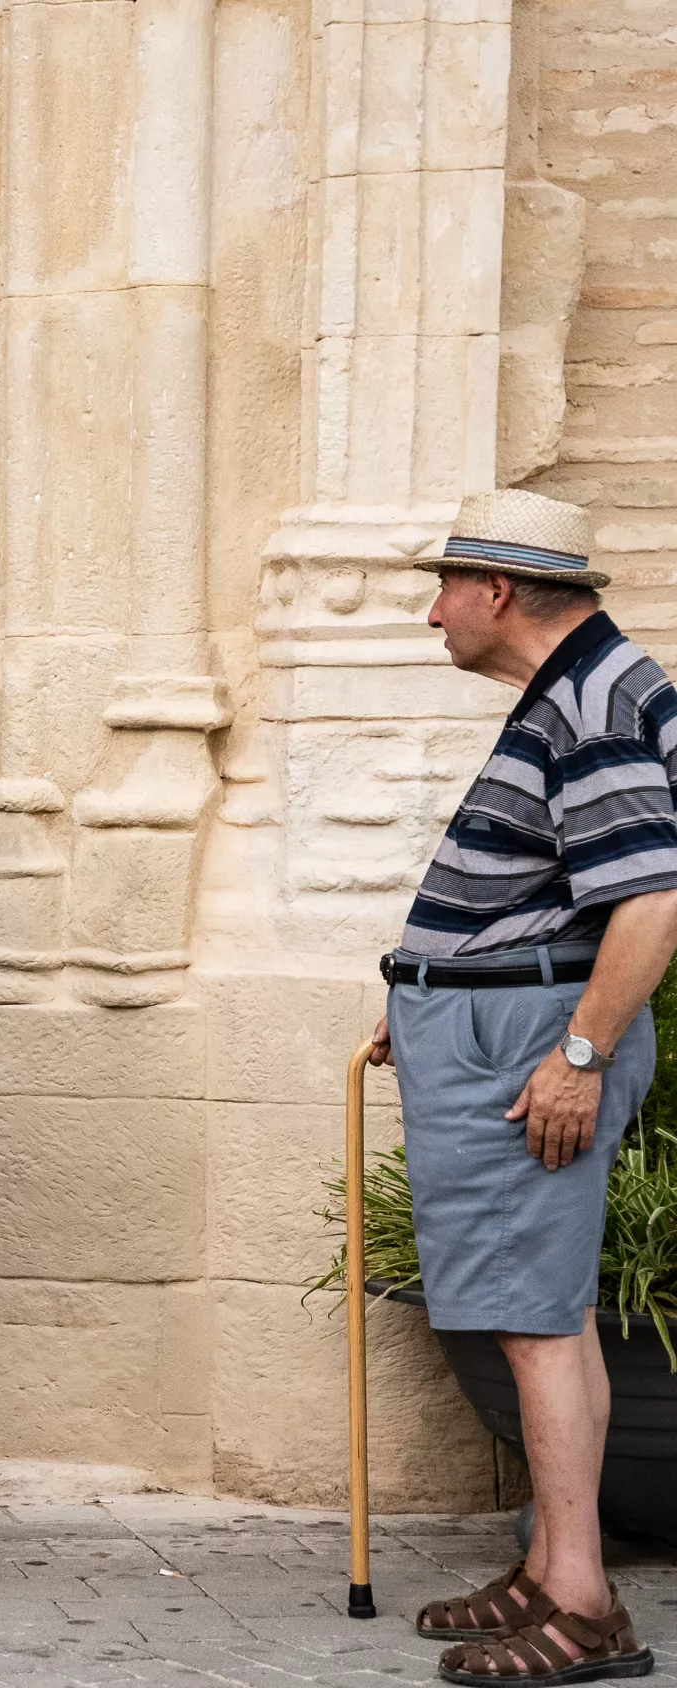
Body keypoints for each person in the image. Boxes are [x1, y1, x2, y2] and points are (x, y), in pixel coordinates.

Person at [369, 489, 677, 1687]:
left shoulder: (589, 703)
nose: (432, 611)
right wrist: (432, 987)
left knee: (535, 1320)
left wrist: (577, 1054)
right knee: (544, 1306)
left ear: (497, 591)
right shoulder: (590, 686)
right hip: (508, 1029)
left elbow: (651, 898)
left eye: (446, 584)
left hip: (530, 1045)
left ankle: (586, 1606)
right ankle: (556, 1564)